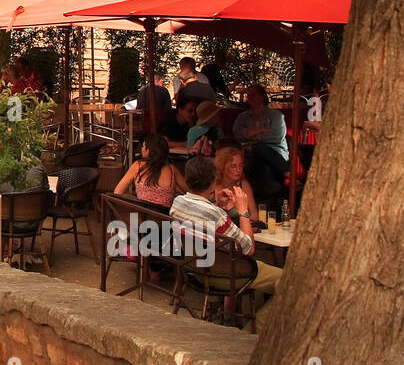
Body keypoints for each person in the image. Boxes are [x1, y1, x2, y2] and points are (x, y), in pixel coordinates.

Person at [170, 157, 283, 333]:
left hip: (193, 268)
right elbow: (249, 248)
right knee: (288, 282)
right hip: (224, 274)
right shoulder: (216, 215)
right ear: (212, 183)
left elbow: (203, 217)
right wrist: (243, 211)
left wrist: (217, 205)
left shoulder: (177, 203)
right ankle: (254, 330)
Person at [232, 83, 289, 197]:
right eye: (248, 95)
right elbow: (237, 134)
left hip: (275, 154)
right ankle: (285, 176)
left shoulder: (276, 116)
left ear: (262, 96)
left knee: (259, 149)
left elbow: (276, 135)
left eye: (253, 94)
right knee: (259, 159)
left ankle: (265, 200)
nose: (250, 98)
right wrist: (261, 130)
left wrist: (251, 134)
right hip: (251, 155)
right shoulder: (242, 117)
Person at [114, 133, 185, 208]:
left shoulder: (138, 166)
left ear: (148, 151)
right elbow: (190, 191)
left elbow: (118, 192)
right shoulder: (172, 170)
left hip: (142, 216)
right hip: (164, 218)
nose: (142, 149)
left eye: (143, 146)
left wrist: (136, 200)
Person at [212, 145, 258, 221]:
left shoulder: (243, 185)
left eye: (240, 166)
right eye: (233, 166)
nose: (238, 170)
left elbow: (254, 215)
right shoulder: (213, 186)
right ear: (222, 166)